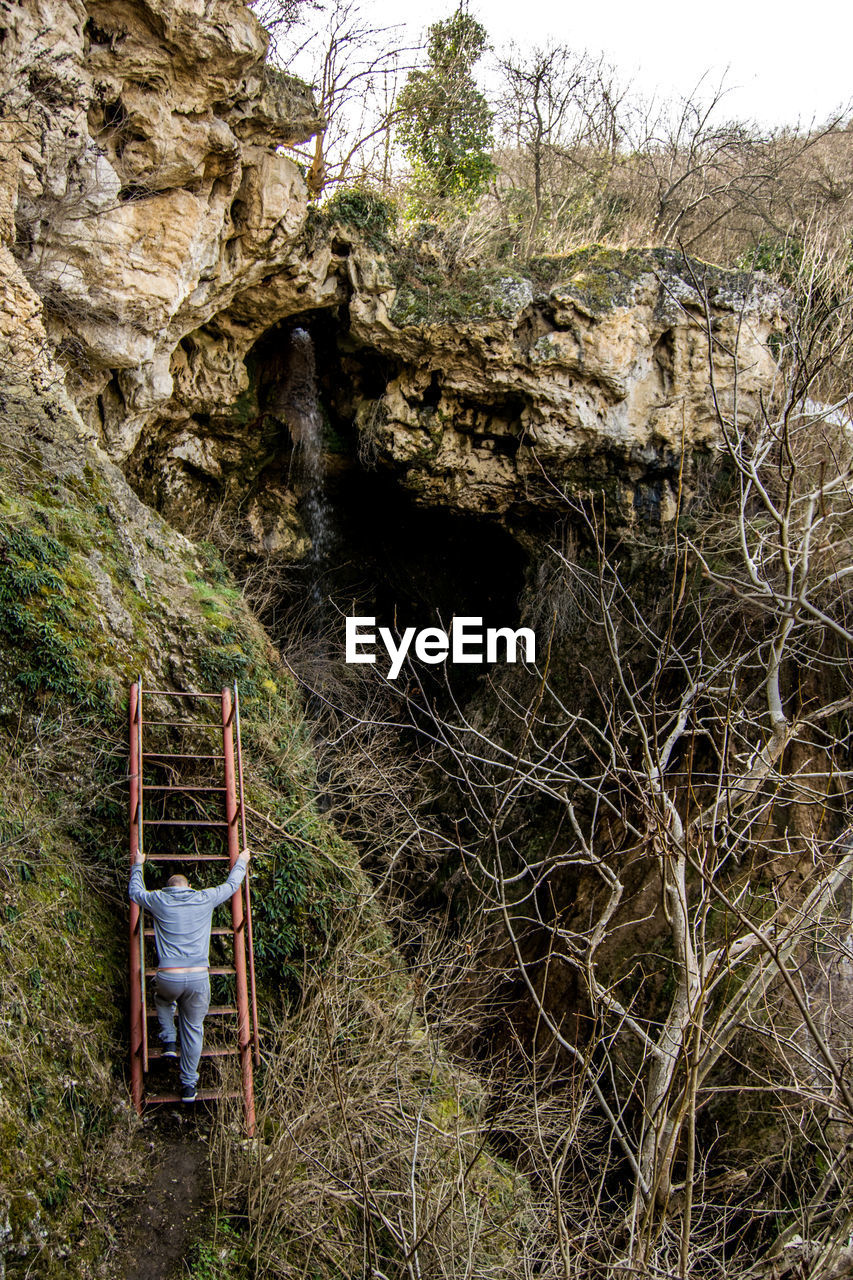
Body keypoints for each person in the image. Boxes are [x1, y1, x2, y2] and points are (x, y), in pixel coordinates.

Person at [128, 846, 251, 1102]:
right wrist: (242, 860)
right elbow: (231, 886)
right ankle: (188, 1086)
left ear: (168, 887)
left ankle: (169, 1040)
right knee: (194, 1029)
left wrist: (138, 863)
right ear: (189, 885)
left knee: (161, 999)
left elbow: (135, 892)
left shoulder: (159, 899)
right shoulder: (203, 898)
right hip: (198, 977)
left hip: (169, 976)